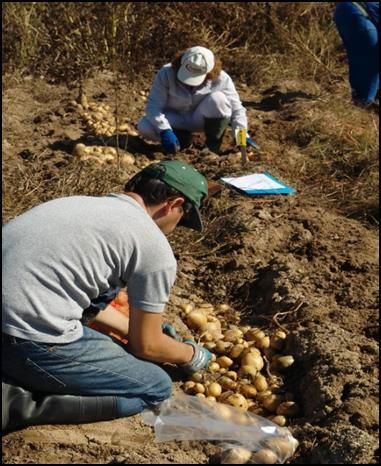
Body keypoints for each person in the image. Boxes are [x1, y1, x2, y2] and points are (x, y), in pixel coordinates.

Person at [2, 160, 212, 433]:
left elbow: (75, 295)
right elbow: (145, 347)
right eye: (182, 218)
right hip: (18, 337)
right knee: (156, 387)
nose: (176, 226)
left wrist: (131, 328)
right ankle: (15, 401)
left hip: (16, 316)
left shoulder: (75, 203)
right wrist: (190, 354)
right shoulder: (153, 246)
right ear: (173, 203)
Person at [137, 45, 253, 154]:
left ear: (209, 73)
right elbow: (153, 107)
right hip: (174, 119)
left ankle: (213, 147)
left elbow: (237, 109)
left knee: (219, 99)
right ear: (180, 64)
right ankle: (180, 140)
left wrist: (241, 136)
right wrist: (164, 130)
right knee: (144, 126)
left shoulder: (222, 79)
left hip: (200, 119)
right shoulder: (166, 73)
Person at [334, 2, 379, 107]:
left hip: (344, 10)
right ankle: (365, 102)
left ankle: (362, 98)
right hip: (359, 14)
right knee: (372, 59)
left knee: (358, 58)